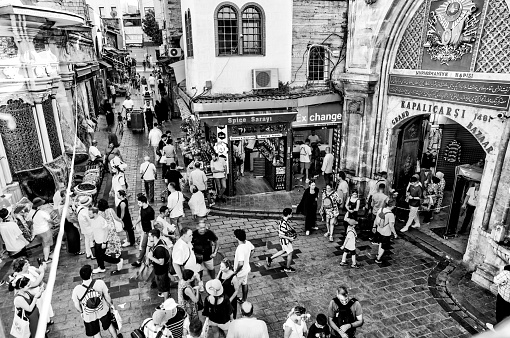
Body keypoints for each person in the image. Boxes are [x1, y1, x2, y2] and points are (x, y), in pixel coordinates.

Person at [72, 265, 122, 338]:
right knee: (109, 325)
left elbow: (77, 305)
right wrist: (111, 305)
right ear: (91, 274)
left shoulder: (77, 289)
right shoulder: (100, 283)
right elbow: (107, 297)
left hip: (89, 315)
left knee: (96, 333)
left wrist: (82, 312)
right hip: (103, 310)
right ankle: (115, 337)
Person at [11, 258, 54, 326]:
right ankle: (42, 326)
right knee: (40, 310)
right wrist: (42, 273)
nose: (29, 264)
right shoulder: (20, 278)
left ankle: (47, 320)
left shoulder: (30, 268)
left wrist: (42, 267)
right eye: (26, 264)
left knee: (45, 306)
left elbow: (38, 271)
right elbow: (35, 283)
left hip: (41, 292)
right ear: (21, 267)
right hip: (34, 297)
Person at [89, 206, 123, 274]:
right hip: (97, 240)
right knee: (98, 255)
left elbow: (106, 231)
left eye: (90, 214)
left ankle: (117, 261)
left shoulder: (101, 220)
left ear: (95, 214)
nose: (89, 215)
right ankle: (101, 267)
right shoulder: (92, 220)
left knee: (102, 256)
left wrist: (104, 242)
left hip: (102, 241)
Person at [266, 208, 296, 273]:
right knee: (290, 253)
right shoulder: (284, 223)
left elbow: (280, 230)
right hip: (285, 241)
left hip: (284, 241)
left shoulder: (283, 220)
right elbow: (281, 235)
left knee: (283, 251)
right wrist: (290, 238)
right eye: (291, 213)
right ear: (288, 214)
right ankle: (287, 268)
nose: (292, 214)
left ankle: (270, 259)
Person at [131, 195, 155, 267]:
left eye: (139, 203)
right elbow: (140, 217)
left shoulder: (150, 211)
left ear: (143, 202)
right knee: (144, 246)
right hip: (145, 231)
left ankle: (145, 261)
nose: (138, 204)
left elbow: (152, 222)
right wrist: (135, 224)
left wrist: (152, 233)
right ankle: (140, 261)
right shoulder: (142, 208)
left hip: (149, 232)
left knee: (147, 247)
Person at [147, 229, 171, 300]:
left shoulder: (159, 249)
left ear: (154, 237)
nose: (149, 238)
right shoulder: (161, 241)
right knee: (164, 284)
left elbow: (161, 262)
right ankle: (165, 294)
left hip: (161, 271)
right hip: (163, 269)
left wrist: (151, 257)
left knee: (164, 286)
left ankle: (166, 301)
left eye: (150, 236)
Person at [372, 199, 397, 264]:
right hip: (386, 233)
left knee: (380, 243)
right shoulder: (391, 214)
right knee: (384, 246)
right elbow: (391, 226)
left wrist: (374, 226)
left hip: (379, 230)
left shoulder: (381, 209)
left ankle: (378, 254)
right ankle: (378, 258)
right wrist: (395, 233)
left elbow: (376, 219)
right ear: (393, 206)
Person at [28, 197, 53, 263]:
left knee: (44, 243)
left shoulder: (31, 212)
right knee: (46, 245)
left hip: (37, 231)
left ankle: (47, 253)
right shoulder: (42, 212)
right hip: (45, 230)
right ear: (40, 205)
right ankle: (46, 259)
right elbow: (50, 220)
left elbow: (28, 220)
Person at [233, 229, 255, 303]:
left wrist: (236, 272)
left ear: (236, 237)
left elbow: (241, 263)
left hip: (240, 272)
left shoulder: (240, 248)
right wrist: (248, 257)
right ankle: (244, 299)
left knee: (234, 287)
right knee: (244, 283)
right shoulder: (248, 243)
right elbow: (253, 250)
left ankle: (232, 301)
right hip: (246, 269)